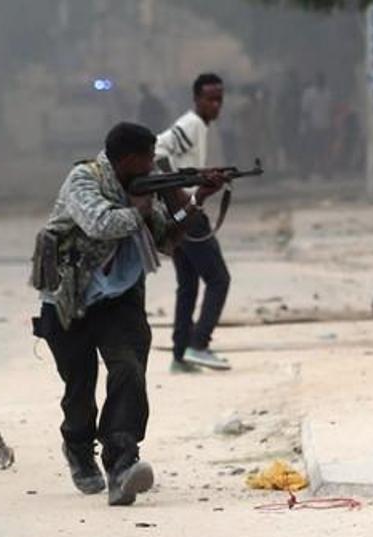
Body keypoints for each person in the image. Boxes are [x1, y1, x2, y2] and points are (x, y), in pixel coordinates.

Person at [32, 122, 188, 506]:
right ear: (128, 160)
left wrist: (194, 200)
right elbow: (101, 223)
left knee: (129, 370)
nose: (152, 166)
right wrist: (139, 209)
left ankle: (122, 462)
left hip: (120, 300)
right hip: (70, 297)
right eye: (148, 159)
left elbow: (168, 238)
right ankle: (78, 446)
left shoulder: (143, 189)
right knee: (79, 388)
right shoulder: (83, 179)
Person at [155, 72, 232, 373]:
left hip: (180, 215)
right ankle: (199, 344)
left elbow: (177, 161)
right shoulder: (192, 123)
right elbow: (158, 150)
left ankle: (180, 353)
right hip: (188, 213)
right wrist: (177, 191)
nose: (216, 105)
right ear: (196, 99)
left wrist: (199, 173)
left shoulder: (198, 126)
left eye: (219, 100)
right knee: (219, 279)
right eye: (210, 99)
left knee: (187, 284)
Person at [300, 72, 334, 178]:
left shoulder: (328, 94)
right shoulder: (309, 94)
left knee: (325, 151)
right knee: (310, 151)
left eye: (322, 79)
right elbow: (305, 112)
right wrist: (307, 127)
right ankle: (305, 173)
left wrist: (331, 125)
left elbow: (330, 111)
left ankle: (326, 173)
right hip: (313, 127)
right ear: (316, 81)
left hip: (325, 127)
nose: (320, 81)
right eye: (319, 79)